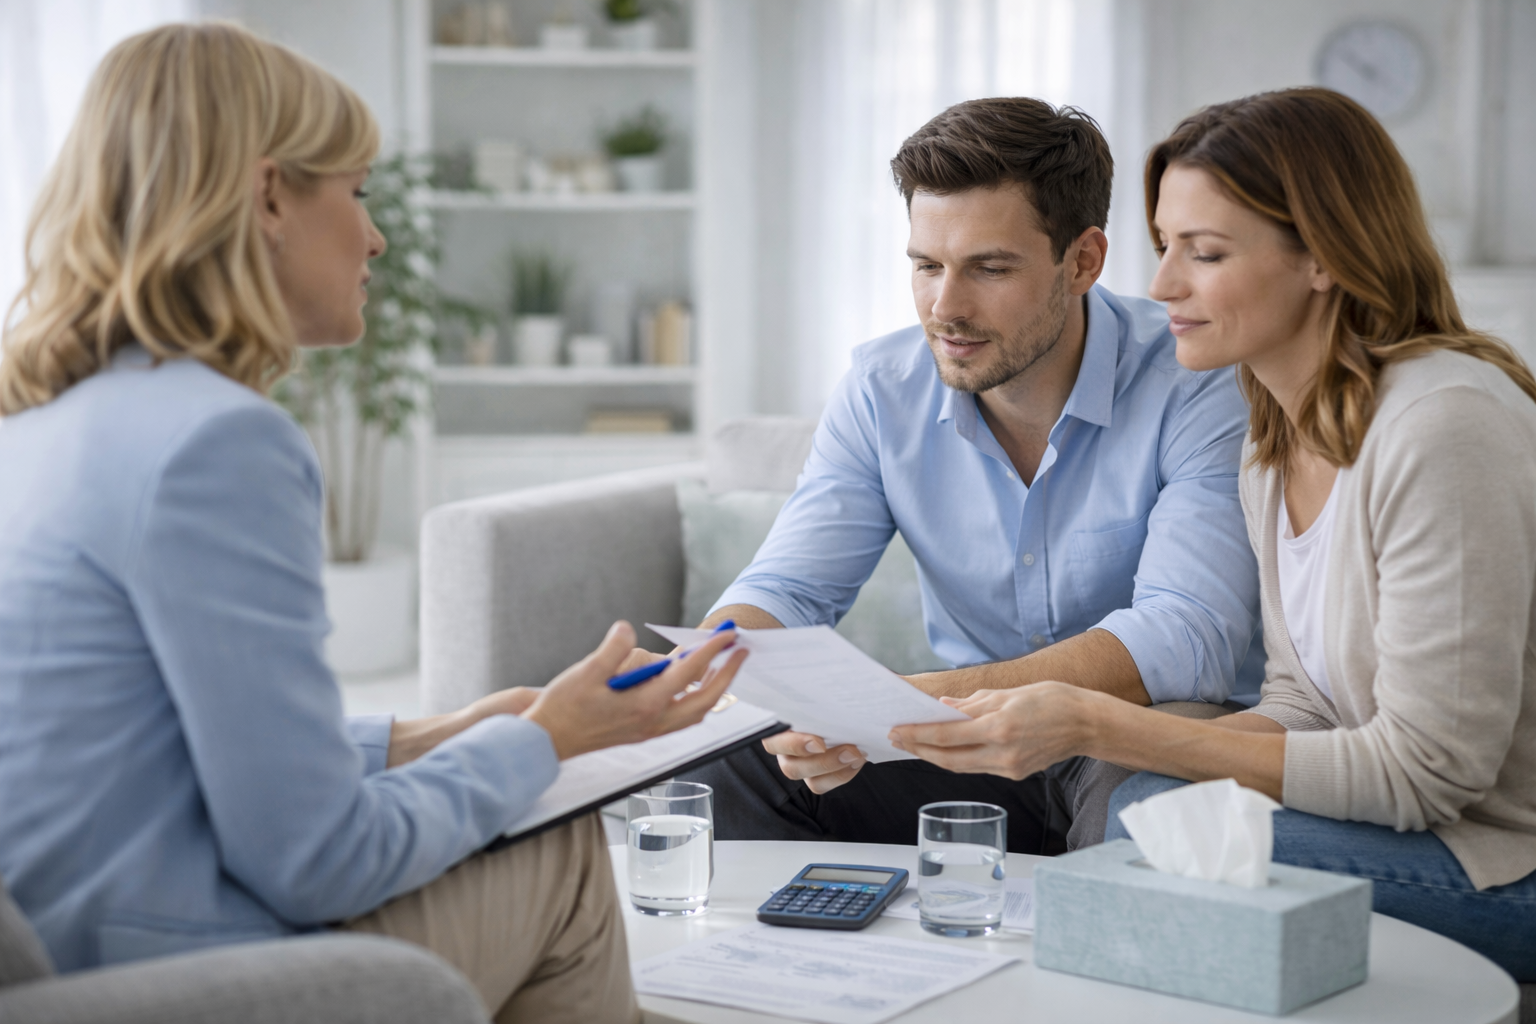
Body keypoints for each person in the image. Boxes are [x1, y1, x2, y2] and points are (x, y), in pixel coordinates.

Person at [0, 24, 746, 1023]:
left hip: (67, 946)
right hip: (172, 972)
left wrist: (448, 731)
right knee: (556, 833)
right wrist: (545, 740)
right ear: (269, 197)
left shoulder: (44, 420)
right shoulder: (215, 443)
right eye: (356, 193)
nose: (377, 237)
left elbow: (178, 746)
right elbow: (320, 858)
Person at [888, 87, 1536, 981]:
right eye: (1165, 247)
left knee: (1138, 829)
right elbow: (1304, 702)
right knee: (1147, 807)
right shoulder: (1278, 438)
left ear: (1323, 257)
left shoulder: (1441, 424)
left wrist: (1097, 723)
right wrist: (1106, 740)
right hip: (1400, 827)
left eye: (1206, 253)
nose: (1162, 287)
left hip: (1498, 858)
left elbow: (1427, 774)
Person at [679, 97, 1264, 855]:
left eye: (989, 269)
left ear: (1083, 261)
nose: (945, 308)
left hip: (1136, 732)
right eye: (926, 266)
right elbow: (787, 588)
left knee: (1148, 807)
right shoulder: (881, 390)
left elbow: (1187, 634)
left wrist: (909, 701)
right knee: (727, 757)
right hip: (963, 746)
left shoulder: (1197, 381)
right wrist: (702, 672)